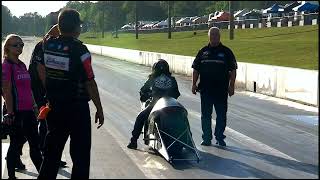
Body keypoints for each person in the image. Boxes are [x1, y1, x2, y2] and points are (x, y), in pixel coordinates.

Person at [37, 8, 104, 179]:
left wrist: (58, 26)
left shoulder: (47, 45)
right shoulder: (81, 50)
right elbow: (90, 82)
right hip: (77, 110)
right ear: (77, 27)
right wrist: (99, 108)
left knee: (51, 155)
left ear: (59, 26)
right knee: (80, 157)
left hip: (54, 108)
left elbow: (47, 36)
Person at [2, 34, 43, 179]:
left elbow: (29, 89)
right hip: (15, 111)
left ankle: (43, 175)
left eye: (21, 45)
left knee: (35, 143)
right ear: (7, 47)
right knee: (15, 144)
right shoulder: (6, 66)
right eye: (16, 45)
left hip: (28, 111)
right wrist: (11, 112)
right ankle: (11, 176)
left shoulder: (22, 65)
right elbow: (6, 90)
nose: (20, 47)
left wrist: (35, 106)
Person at [28, 24, 67, 167]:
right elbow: (41, 70)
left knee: (45, 122)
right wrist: (49, 89)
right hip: (38, 88)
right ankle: (44, 154)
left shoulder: (51, 43)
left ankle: (47, 153)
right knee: (43, 121)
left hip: (43, 89)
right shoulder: (44, 45)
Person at [191, 27, 237, 147]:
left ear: (220, 36)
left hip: (221, 90)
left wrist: (231, 86)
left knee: (221, 115)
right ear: (209, 36)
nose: (214, 37)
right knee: (206, 115)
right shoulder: (203, 51)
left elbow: (233, 70)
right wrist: (193, 84)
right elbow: (195, 69)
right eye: (212, 35)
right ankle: (206, 138)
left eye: (216, 35)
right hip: (206, 90)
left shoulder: (227, 52)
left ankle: (219, 137)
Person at [127, 59, 181, 149]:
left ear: (155, 69)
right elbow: (177, 94)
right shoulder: (172, 79)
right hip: (171, 105)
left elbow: (143, 90)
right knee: (182, 118)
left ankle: (133, 141)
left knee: (140, 117)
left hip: (156, 105)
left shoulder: (153, 78)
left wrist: (147, 95)